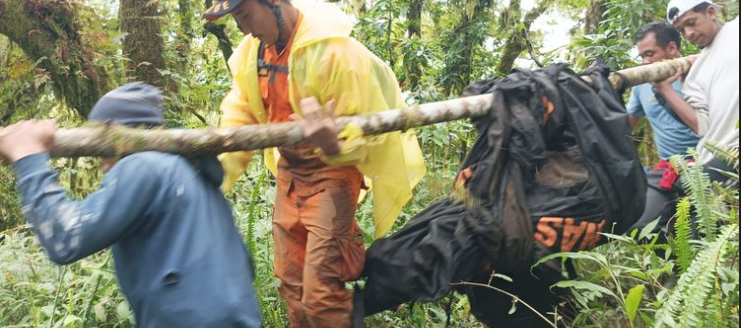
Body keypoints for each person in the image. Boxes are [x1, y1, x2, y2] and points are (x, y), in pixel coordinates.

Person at [203, 1, 426, 327]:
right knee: (292, 283)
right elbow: (240, 112)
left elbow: (364, 133)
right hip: (290, 172)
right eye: (238, 21)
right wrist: (219, 172)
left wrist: (332, 143)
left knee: (322, 292)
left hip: (334, 174)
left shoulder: (336, 54)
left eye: (246, 16)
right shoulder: (254, 52)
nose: (246, 30)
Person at [0, 83, 261, 328]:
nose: (101, 162)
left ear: (120, 137)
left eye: (101, 148)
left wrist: (28, 158)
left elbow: (66, 238)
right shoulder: (193, 171)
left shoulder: (143, 166)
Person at [625, 21, 700, 233]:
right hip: (668, 167)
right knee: (641, 227)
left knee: (694, 230)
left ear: (672, 49)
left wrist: (665, 89)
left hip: (706, 162)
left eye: (650, 54)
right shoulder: (641, 85)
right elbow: (624, 127)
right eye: (642, 56)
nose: (646, 62)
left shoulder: (698, 75)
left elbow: (703, 128)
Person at [658, 0, 738, 182]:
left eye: (691, 23)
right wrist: (665, 90)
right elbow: (702, 127)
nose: (688, 33)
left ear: (710, 12)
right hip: (717, 158)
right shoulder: (695, 71)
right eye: (681, 30)